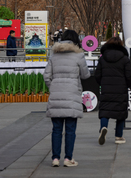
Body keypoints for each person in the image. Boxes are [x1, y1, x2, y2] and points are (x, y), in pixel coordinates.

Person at [43, 29, 90, 167]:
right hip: (72, 95)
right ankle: (68, 158)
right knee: (70, 129)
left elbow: (46, 76)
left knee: (56, 129)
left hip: (56, 95)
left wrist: (53, 87)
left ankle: (55, 158)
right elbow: (85, 75)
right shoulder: (78, 56)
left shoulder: (54, 56)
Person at [95, 36, 131, 145]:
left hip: (106, 88)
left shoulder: (103, 58)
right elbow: (129, 75)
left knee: (104, 111)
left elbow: (97, 74)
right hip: (121, 89)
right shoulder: (125, 59)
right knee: (120, 112)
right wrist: (127, 85)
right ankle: (119, 136)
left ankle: (103, 127)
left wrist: (102, 83)